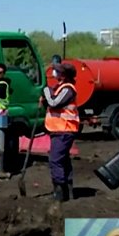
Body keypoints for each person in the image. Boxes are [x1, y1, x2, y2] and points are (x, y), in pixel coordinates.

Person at [42, 62, 79, 201]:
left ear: (63, 75)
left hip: (64, 129)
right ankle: (68, 190)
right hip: (59, 129)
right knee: (63, 160)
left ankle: (60, 190)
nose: (54, 74)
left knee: (55, 160)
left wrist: (46, 90)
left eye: (57, 71)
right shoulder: (60, 88)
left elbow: (54, 103)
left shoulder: (68, 89)